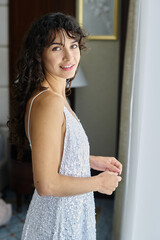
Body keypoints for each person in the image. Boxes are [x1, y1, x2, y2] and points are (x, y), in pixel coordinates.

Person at [8, 12, 122, 240]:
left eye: (73, 45)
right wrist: (98, 182)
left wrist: (90, 160)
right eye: (56, 48)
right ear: (39, 55)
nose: (69, 56)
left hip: (66, 215)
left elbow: (54, 154)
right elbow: (46, 184)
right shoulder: (48, 102)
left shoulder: (57, 97)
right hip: (56, 224)